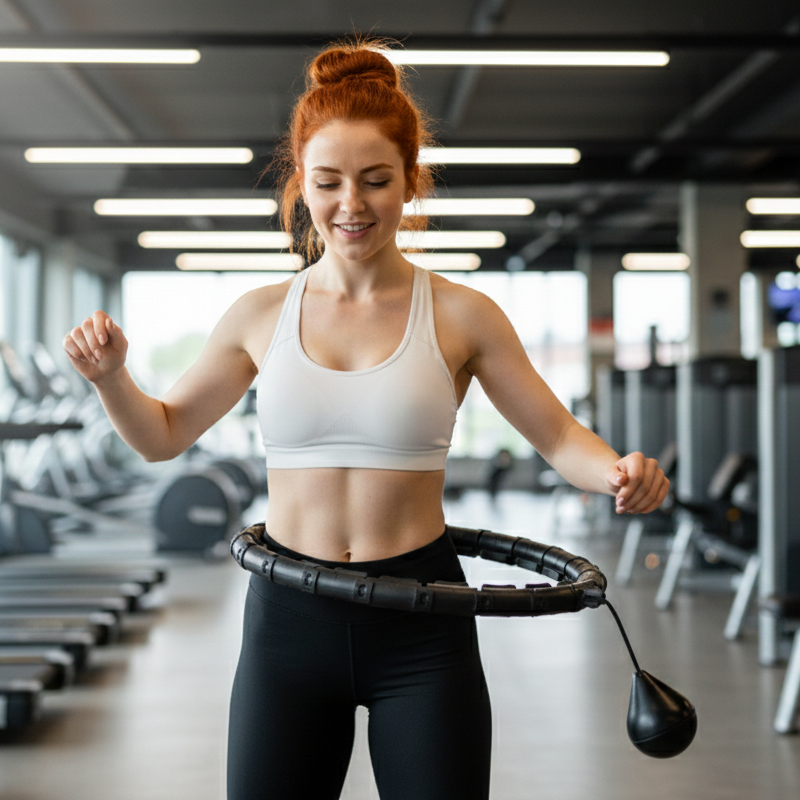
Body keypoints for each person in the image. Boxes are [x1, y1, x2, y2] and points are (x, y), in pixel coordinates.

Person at [63, 39, 669, 800]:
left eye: (377, 181)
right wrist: (111, 377)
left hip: (422, 625)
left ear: (411, 181)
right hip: (288, 624)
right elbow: (160, 436)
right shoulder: (257, 316)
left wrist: (616, 470)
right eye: (329, 183)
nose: (352, 206)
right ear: (301, 185)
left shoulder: (462, 314)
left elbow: (557, 437)